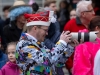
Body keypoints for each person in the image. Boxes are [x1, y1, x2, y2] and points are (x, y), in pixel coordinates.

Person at [16, 11, 74, 75]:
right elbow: (46, 61)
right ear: (35, 28)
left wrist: (70, 47)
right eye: (45, 30)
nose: (47, 33)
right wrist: (62, 43)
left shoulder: (39, 44)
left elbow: (57, 63)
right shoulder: (24, 45)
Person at [63, 1, 95, 74]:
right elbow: (64, 47)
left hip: (93, 66)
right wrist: (70, 66)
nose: (94, 13)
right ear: (83, 14)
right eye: (91, 11)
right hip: (77, 68)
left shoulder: (95, 24)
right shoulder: (70, 25)